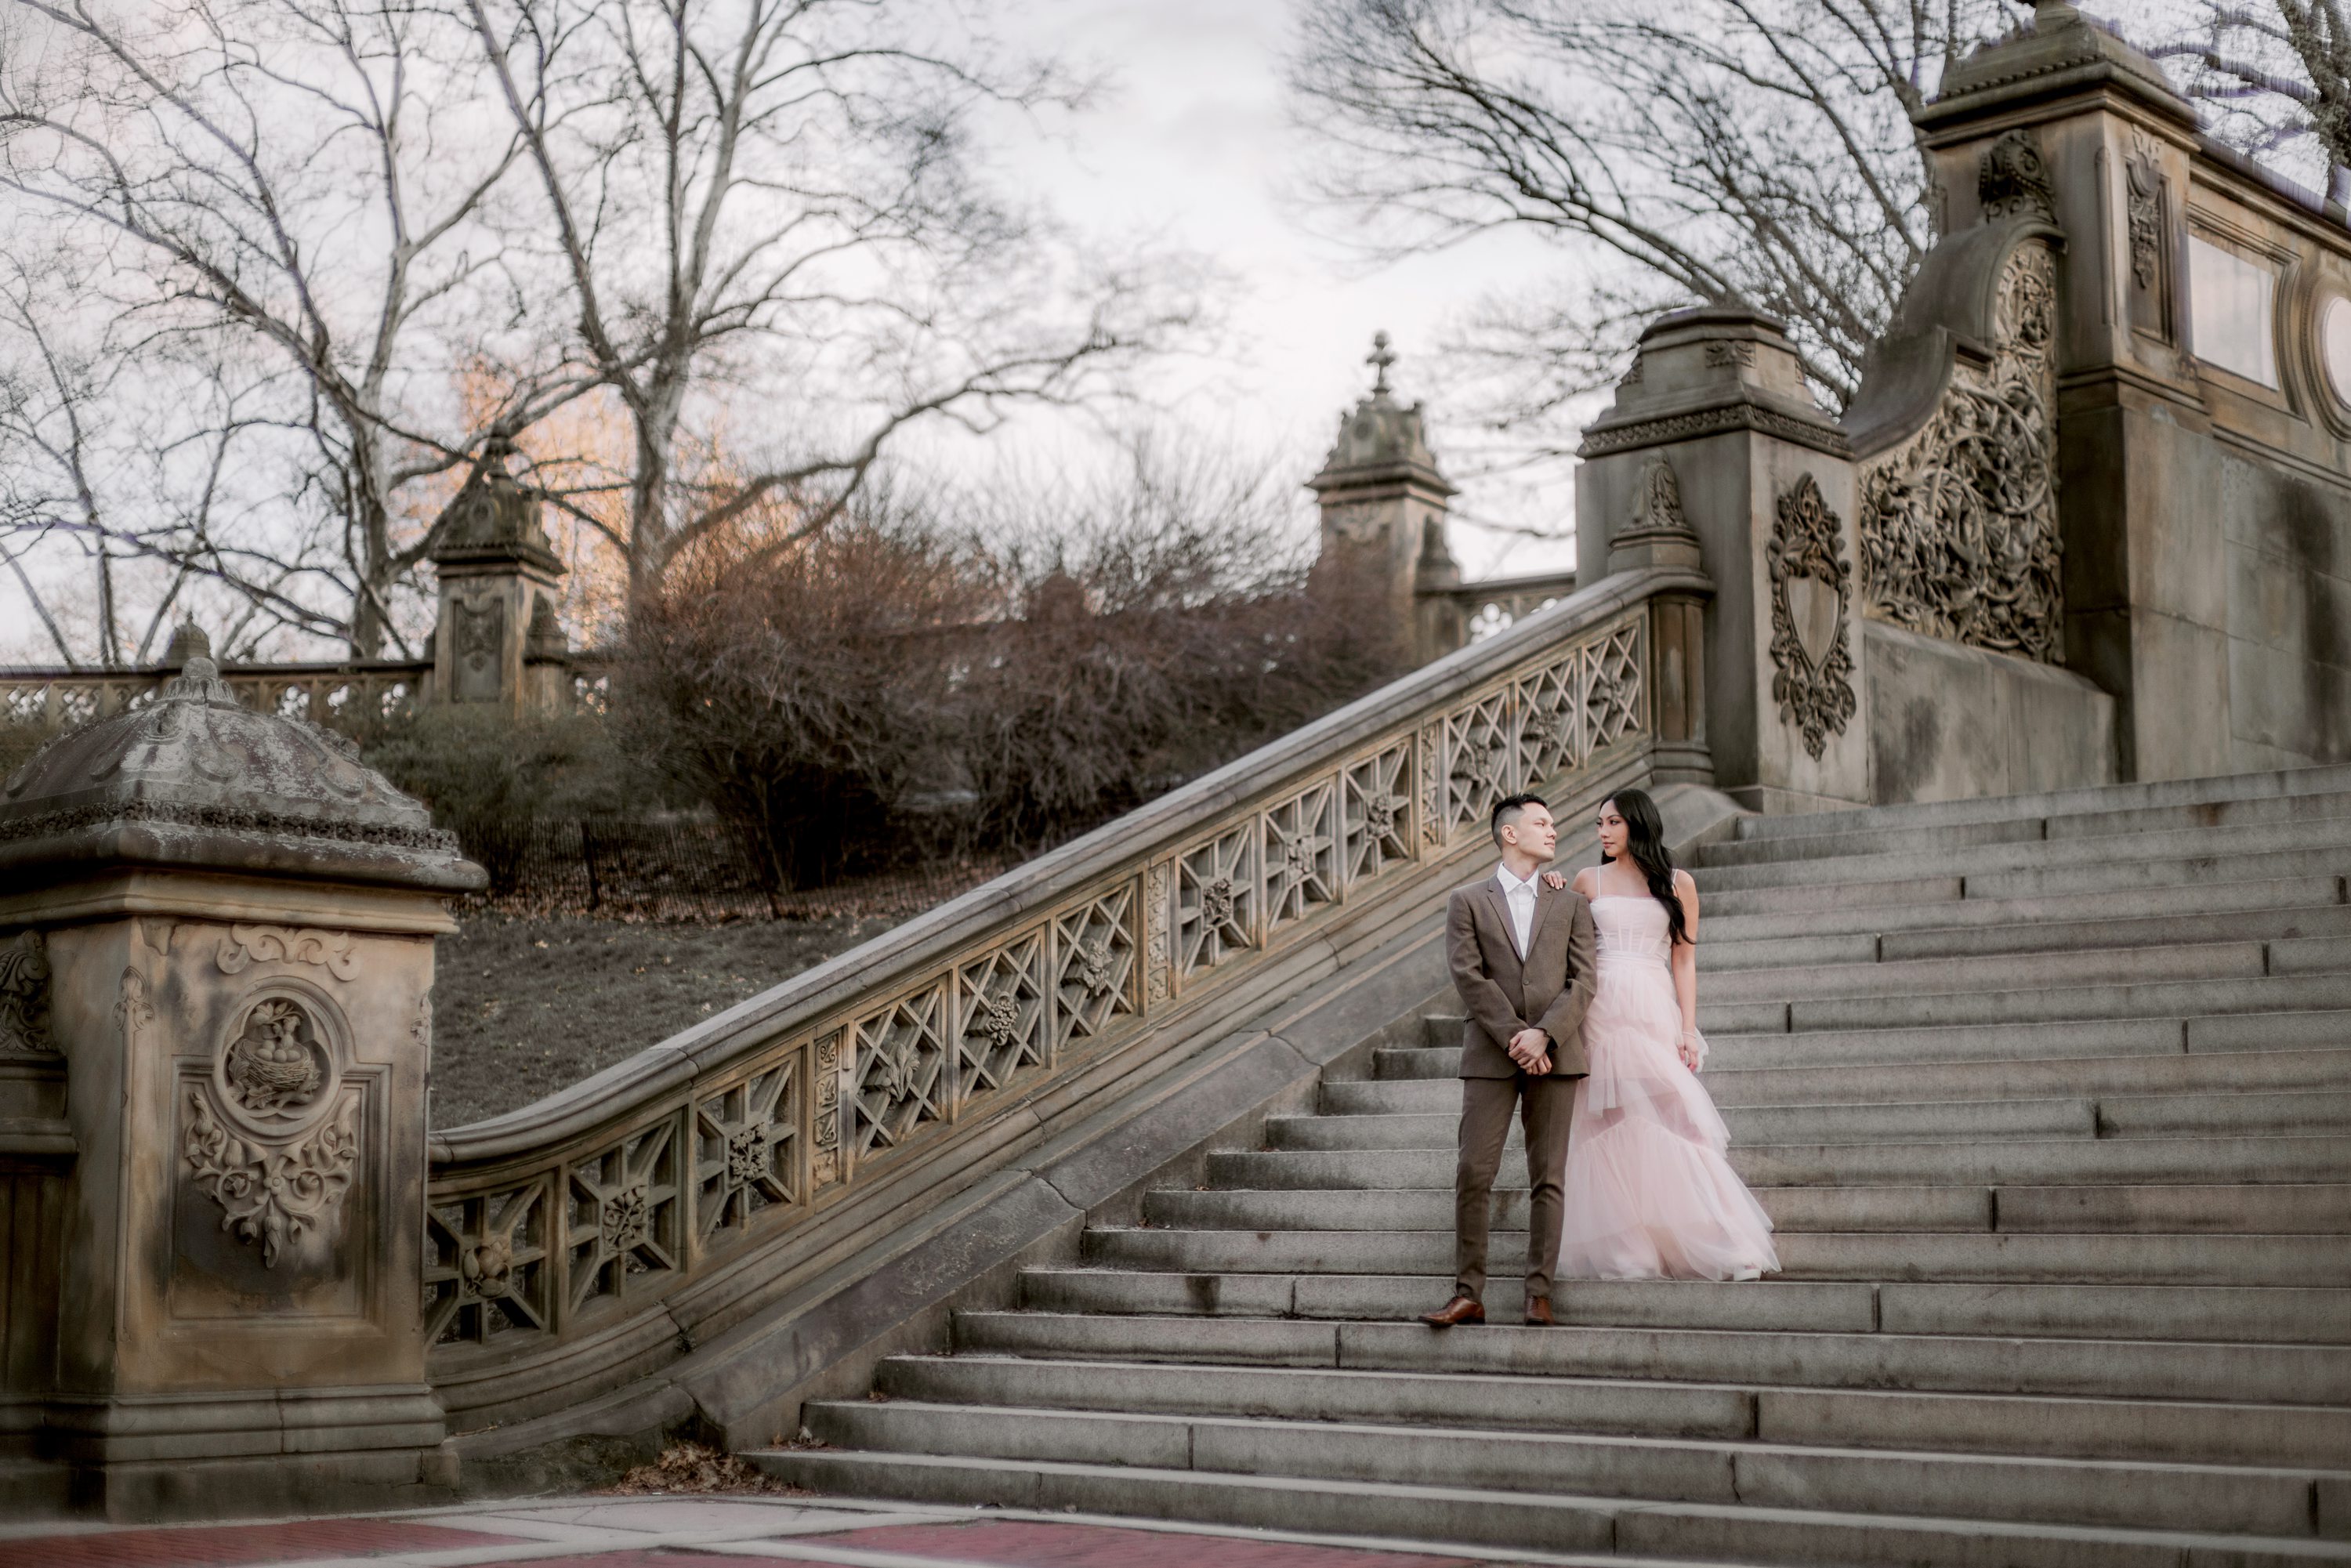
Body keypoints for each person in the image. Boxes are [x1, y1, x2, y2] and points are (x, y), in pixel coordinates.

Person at [1560, 788, 1778, 1280]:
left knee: (1680, 1122)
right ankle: (1627, 1250)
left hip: (1652, 1006)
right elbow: (1565, 947)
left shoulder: (1679, 882)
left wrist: (1686, 1027)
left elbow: (1684, 958)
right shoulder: (1586, 880)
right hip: (1598, 1009)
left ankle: (1721, 1238)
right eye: (1599, 824)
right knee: (1603, 1125)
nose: (1603, 832)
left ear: (1638, 823)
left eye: (1612, 822)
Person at [1419, 793, 1597, 1328]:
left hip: (1557, 1053)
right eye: (1542, 822)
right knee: (1474, 1170)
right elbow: (1468, 977)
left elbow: (1585, 980)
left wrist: (1545, 1035)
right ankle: (1468, 1293)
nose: (1553, 830)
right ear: (1509, 834)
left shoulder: (1570, 903)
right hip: (1490, 1055)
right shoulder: (1467, 900)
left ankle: (1538, 1292)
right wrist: (1518, 1036)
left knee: (1550, 1176)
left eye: (1553, 823)